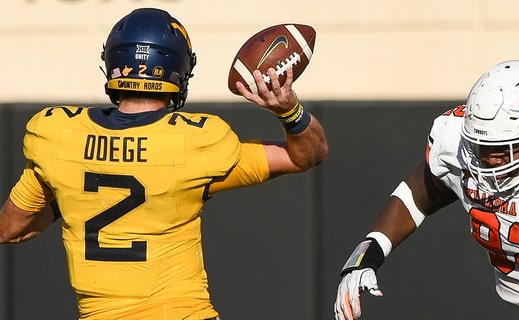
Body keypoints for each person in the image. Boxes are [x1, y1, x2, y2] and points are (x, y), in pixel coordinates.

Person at [0, 7, 327, 320]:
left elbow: (10, 229)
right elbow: (306, 156)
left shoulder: (57, 136)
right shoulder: (197, 143)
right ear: (178, 70)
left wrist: (73, 192)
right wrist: (289, 110)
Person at [334, 60, 519, 320]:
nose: (489, 162)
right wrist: (369, 251)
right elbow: (423, 190)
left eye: (504, 150)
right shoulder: (460, 149)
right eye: (481, 148)